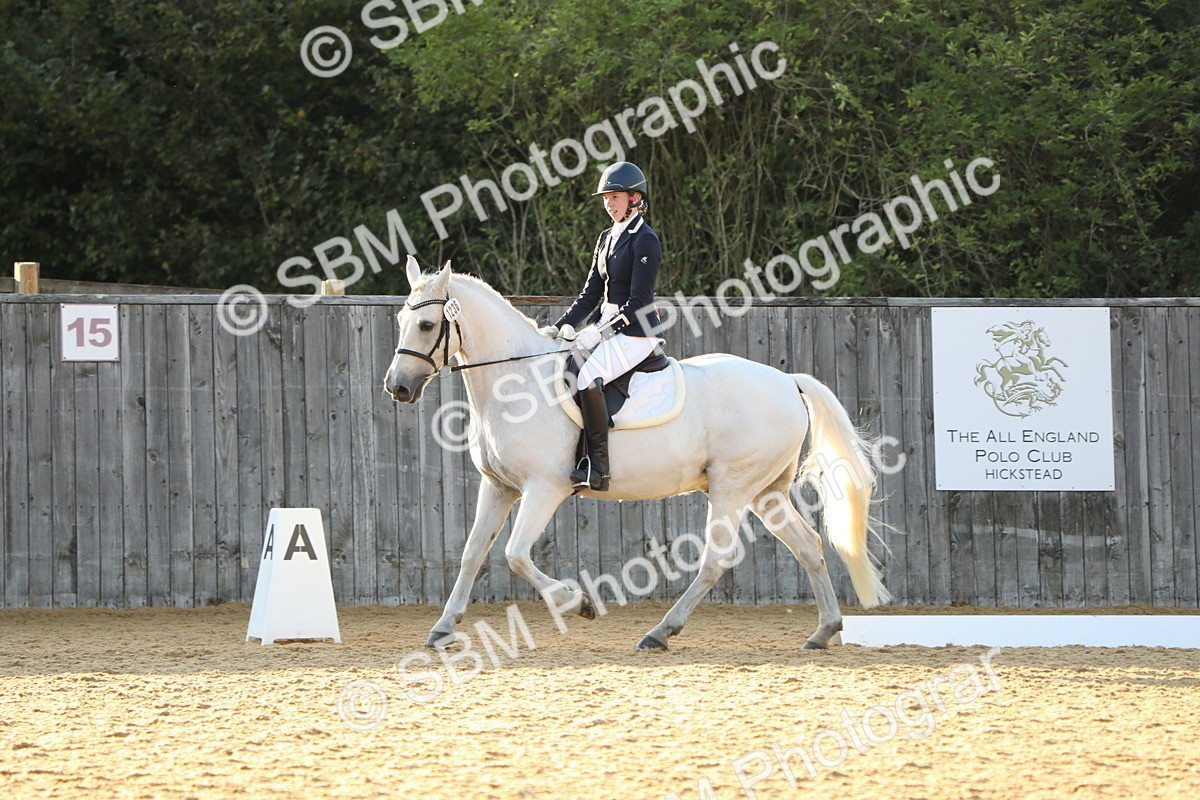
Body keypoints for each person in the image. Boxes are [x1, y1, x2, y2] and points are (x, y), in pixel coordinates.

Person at [539, 162, 663, 492]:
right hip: (605, 325)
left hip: (636, 331)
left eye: (616, 197)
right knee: (563, 369)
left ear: (635, 198)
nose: (609, 203)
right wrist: (560, 325)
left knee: (585, 377)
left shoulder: (645, 240)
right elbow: (591, 293)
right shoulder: (606, 238)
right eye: (606, 197)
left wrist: (602, 331)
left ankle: (599, 466)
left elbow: (639, 301)